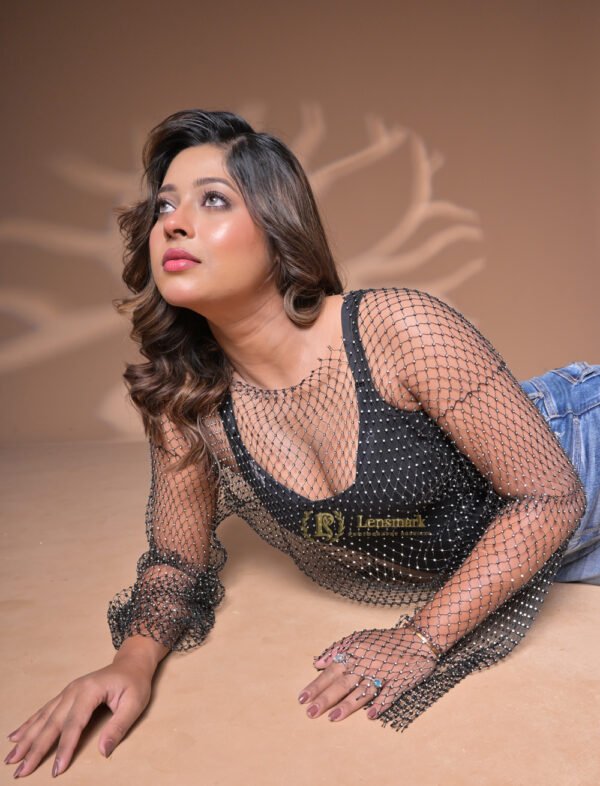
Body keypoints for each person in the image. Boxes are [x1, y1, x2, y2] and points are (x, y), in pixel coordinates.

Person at [5, 110, 599, 779]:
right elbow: (176, 559)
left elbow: (551, 495)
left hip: (581, 449)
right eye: (165, 205)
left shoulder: (396, 328)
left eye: (213, 200)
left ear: (278, 226)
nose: (173, 223)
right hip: (530, 559)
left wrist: (419, 639)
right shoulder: (188, 400)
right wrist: (129, 665)